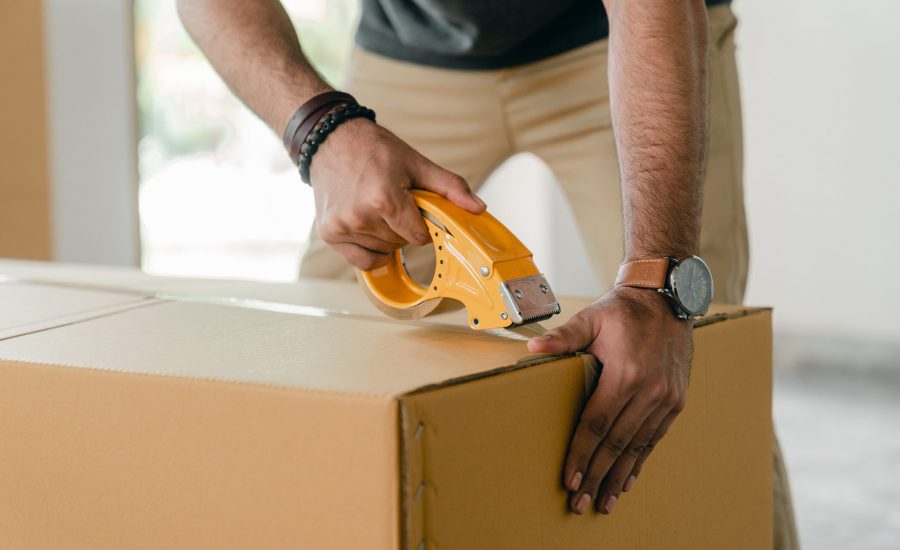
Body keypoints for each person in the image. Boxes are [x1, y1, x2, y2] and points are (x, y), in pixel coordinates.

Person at [179, 0, 797, 546]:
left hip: (614, 36)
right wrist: (323, 130)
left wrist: (657, 287)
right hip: (414, 50)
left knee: (690, 358)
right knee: (337, 336)